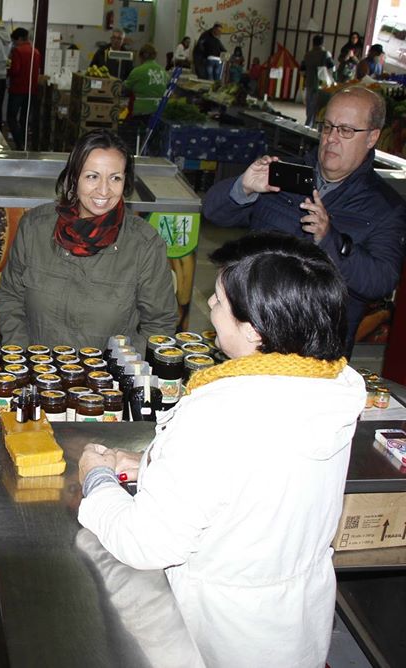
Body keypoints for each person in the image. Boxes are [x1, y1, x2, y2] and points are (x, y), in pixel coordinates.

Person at [77, 233, 366, 668]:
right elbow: (262, 482)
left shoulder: (220, 413)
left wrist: (96, 479)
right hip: (294, 625)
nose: (208, 309)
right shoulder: (331, 391)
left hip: (219, 634)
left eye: (217, 301)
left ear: (253, 330)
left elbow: (146, 543)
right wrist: (151, 466)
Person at [203, 86, 406, 353]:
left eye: (345, 130)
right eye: (328, 127)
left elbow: (380, 281)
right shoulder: (284, 175)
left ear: (372, 138)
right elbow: (213, 212)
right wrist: (244, 188)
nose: (332, 138)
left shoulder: (385, 207)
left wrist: (329, 239)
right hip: (251, 336)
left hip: (318, 352)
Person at [0, 129, 176, 349]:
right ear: (74, 178)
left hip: (107, 380)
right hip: (38, 372)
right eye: (92, 176)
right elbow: (11, 297)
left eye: (115, 178)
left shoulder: (144, 245)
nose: (104, 190)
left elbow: (160, 324)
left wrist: (121, 370)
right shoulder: (35, 228)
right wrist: (21, 355)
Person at [6, 27, 42, 151]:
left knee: (11, 117)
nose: (14, 43)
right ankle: (25, 143)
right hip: (32, 90)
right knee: (24, 119)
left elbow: (15, 70)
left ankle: (19, 143)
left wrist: (8, 69)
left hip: (17, 89)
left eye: (15, 41)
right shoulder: (36, 52)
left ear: (20, 39)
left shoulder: (18, 51)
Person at [124, 43, 168, 118]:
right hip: (159, 111)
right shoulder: (163, 71)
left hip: (142, 111)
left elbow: (126, 87)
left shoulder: (138, 71)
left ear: (141, 56)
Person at [301, 35, 334, 126]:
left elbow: (302, 70)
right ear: (322, 43)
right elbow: (332, 68)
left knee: (309, 106)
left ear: (313, 42)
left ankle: (308, 124)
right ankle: (312, 125)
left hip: (309, 82)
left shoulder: (307, 55)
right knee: (317, 107)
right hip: (321, 84)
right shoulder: (325, 54)